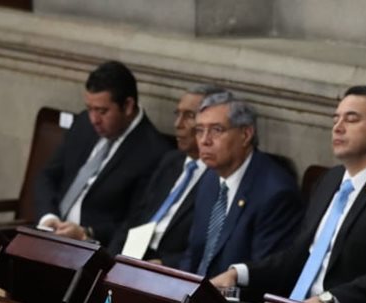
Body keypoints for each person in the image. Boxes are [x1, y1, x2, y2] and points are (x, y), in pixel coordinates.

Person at [211, 85, 366, 303]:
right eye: (335, 119)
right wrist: (239, 274)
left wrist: (327, 301)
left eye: (351, 119)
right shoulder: (330, 179)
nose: (338, 128)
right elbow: (297, 256)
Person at [33, 60, 170, 245]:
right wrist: (48, 217)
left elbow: (135, 223)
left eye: (102, 111)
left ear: (128, 106)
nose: (94, 119)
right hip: (49, 232)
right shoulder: (84, 123)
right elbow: (47, 176)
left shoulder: (154, 153)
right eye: (90, 109)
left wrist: (87, 233)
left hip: (90, 248)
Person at [184, 92, 302, 277]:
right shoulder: (209, 178)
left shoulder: (276, 193)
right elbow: (194, 253)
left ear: (246, 135)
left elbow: (263, 273)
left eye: (216, 130)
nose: (205, 140)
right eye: (199, 130)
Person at [107, 85, 219, 267]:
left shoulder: (218, 177)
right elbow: (136, 217)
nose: (178, 124)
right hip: (133, 254)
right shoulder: (171, 160)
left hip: (165, 265)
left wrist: (166, 264)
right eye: (177, 114)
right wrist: (108, 261)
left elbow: (207, 248)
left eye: (189, 116)